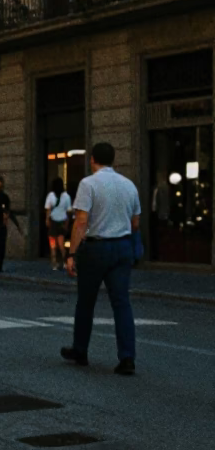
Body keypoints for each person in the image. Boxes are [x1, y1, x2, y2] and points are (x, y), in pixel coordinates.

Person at [61, 142, 141, 375]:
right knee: (122, 303)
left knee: (86, 301)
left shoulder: (89, 184)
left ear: (93, 159)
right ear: (113, 160)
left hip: (96, 248)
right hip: (123, 247)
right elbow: (135, 223)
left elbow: (81, 221)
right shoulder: (129, 185)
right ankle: (127, 358)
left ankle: (80, 350)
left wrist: (72, 253)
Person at [44, 177, 73, 271]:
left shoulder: (50, 195)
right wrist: (67, 224)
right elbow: (69, 211)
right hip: (62, 222)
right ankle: (65, 263)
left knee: (52, 245)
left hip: (53, 223)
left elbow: (48, 209)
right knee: (61, 245)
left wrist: (47, 220)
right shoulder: (66, 196)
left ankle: (54, 265)